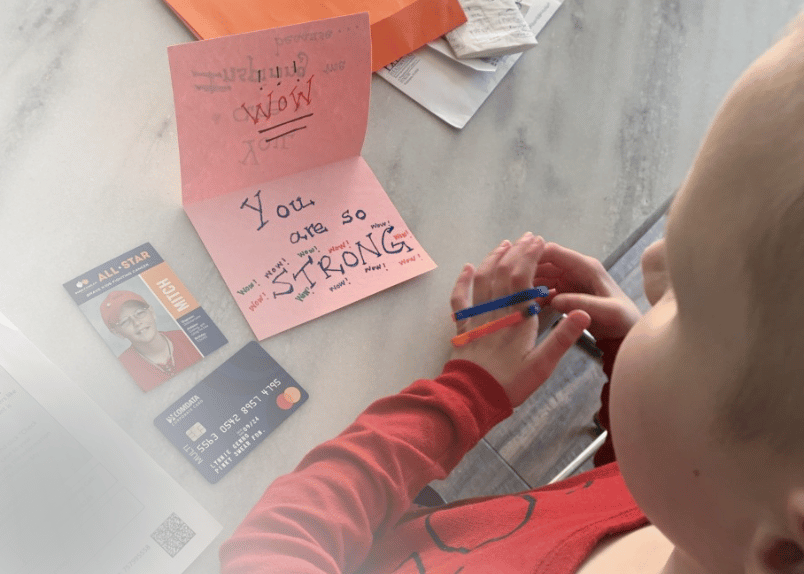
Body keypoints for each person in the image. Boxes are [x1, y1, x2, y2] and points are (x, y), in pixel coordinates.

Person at [221, 12, 804, 574]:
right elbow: (647, 487)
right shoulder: (702, 516)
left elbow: (281, 541)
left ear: (787, 550)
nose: (649, 265)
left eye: (681, 296)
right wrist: (630, 344)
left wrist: (466, 391)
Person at [100, 290, 202, 391]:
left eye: (139, 313)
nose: (136, 322)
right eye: (125, 321)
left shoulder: (188, 336)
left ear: (152, 312)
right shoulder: (121, 370)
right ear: (117, 333)